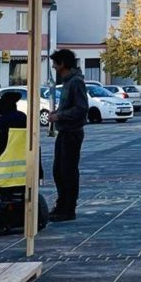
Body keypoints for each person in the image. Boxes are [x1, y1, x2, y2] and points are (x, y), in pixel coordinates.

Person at [50, 49, 88, 222]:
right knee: (58, 170)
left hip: (72, 132)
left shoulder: (76, 82)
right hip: (64, 131)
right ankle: (62, 205)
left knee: (67, 171)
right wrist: (58, 113)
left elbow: (81, 108)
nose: (53, 67)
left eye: (55, 63)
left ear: (63, 64)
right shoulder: (68, 82)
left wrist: (60, 116)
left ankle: (68, 208)